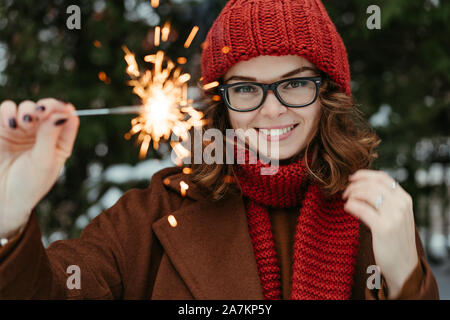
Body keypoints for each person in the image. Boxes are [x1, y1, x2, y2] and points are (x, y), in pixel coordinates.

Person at [0, 0, 439, 299]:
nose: (271, 110)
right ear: (221, 104)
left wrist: (406, 278)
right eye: (247, 89)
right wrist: (9, 223)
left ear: (329, 92)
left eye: (294, 83)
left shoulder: (374, 216)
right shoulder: (153, 213)